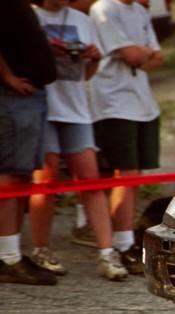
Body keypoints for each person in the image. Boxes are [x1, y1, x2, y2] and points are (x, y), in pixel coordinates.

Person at [33, 0, 131, 281]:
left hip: (77, 110)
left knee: (90, 178)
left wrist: (95, 58)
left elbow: (85, 75)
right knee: (46, 180)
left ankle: (106, 252)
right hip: (45, 107)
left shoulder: (81, 19)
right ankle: (40, 249)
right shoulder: (32, 17)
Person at [89, 0, 164, 275]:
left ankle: (125, 241)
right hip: (113, 103)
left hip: (142, 103)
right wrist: (142, 52)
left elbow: (158, 58)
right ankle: (121, 245)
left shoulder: (141, 11)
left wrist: (140, 52)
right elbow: (135, 56)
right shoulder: (104, 8)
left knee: (135, 175)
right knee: (124, 174)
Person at [0, 0, 58, 285]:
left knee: (20, 176)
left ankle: (12, 253)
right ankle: (7, 258)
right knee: (9, 176)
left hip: (31, 95)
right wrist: (8, 76)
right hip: (13, 97)